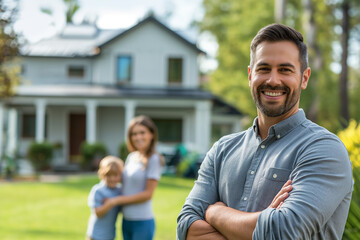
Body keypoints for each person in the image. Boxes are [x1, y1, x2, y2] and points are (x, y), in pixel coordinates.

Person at [177, 23, 353, 240]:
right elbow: (186, 227)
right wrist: (262, 223)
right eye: (264, 68)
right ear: (250, 75)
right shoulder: (222, 150)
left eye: (285, 70)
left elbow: (283, 233)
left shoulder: (324, 149)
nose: (273, 80)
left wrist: (215, 212)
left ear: (304, 78)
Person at [105, 115, 163, 240]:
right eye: (134, 134)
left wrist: (116, 201)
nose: (138, 137)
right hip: (126, 220)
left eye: (142, 133)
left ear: (151, 134)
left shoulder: (154, 159)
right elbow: (124, 183)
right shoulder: (131, 157)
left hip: (142, 221)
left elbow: (147, 194)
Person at [86, 155, 124, 240]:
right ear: (102, 174)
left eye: (115, 175)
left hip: (110, 235)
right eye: (108, 175)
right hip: (95, 235)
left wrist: (115, 201)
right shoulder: (98, 190)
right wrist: (111, 203)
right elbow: (98, 213)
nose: (112, 179)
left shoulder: (119, 190)